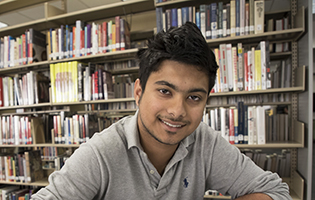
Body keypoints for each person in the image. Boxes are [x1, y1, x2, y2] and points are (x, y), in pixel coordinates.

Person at [31, 22, 291, 200]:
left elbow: (275, 191)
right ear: (138, 92)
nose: (177, 111)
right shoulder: (101, 153)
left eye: (194, 97)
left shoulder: (205, 143)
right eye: (165, 91)